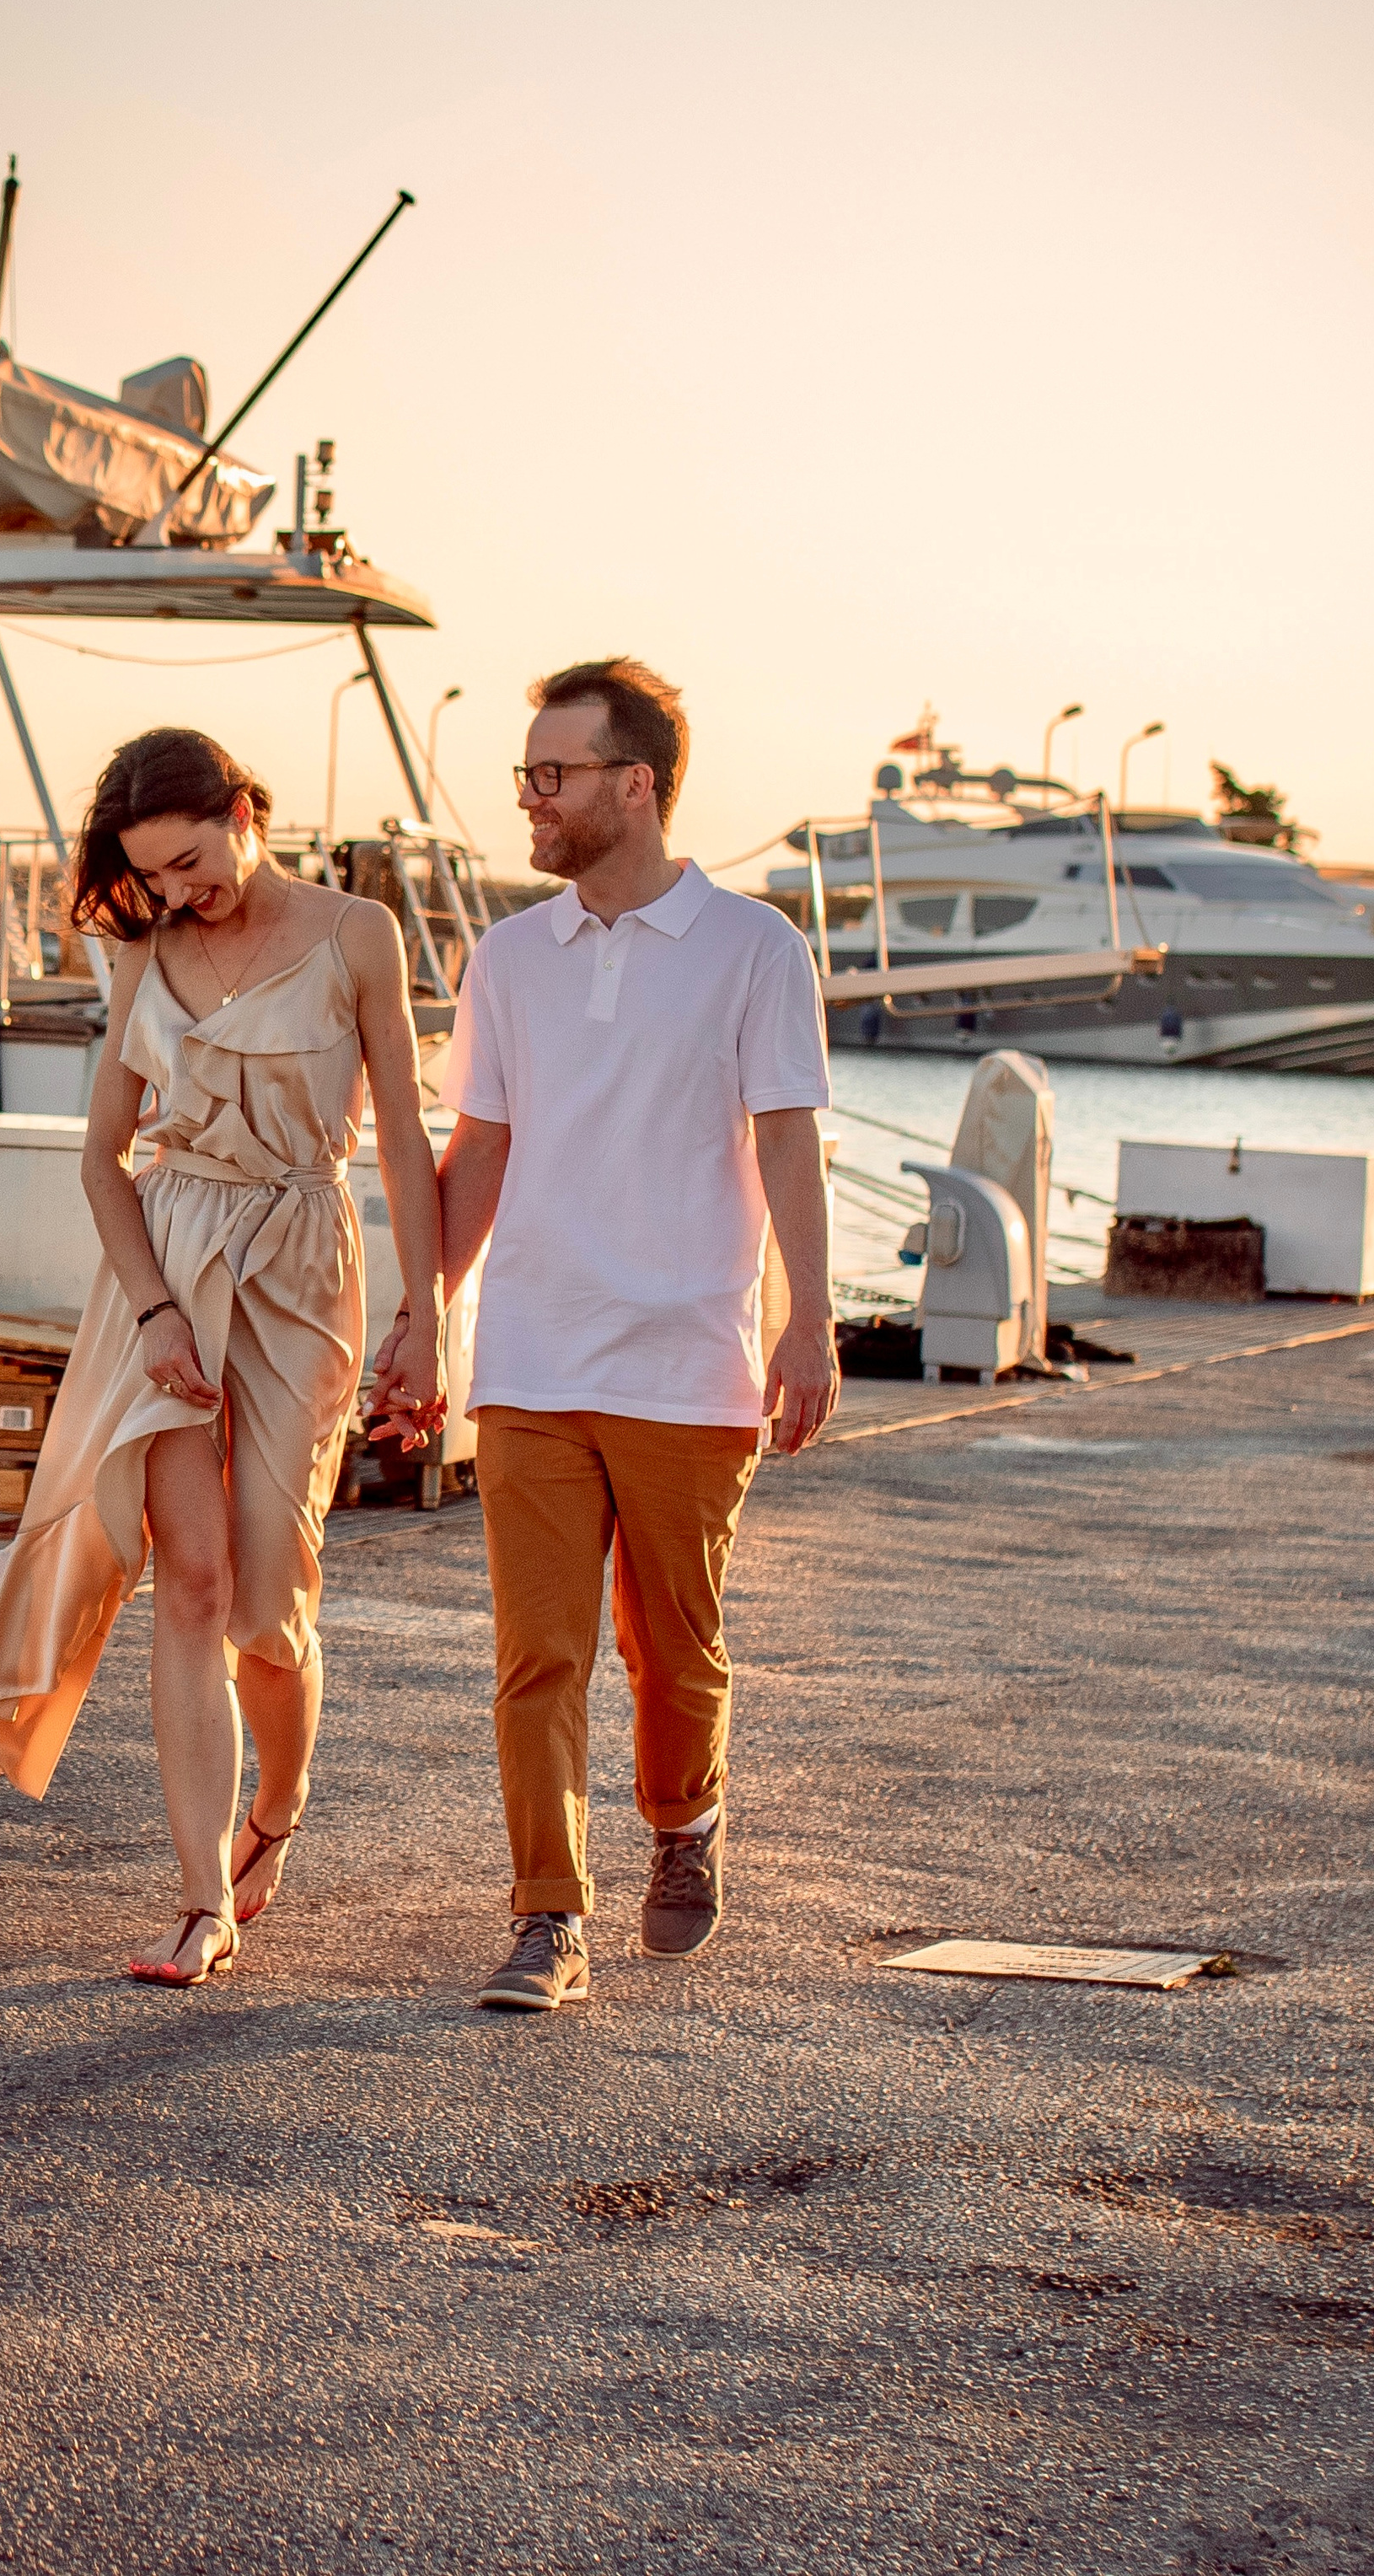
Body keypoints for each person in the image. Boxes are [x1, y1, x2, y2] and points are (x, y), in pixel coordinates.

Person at [0, 727, 447, 1988]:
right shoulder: (146, 949)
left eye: (192, 860)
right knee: (184, 1583)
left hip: (303, 1262)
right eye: (158, 874)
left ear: (245, 808)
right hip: (172, 1259)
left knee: (267, 1606)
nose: (182, 891)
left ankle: (276, 1816)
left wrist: (431, 1311)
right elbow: (101, 1161)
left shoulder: (359, 936)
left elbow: (402, 1137)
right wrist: (152, 1312)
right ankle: (200, 1901)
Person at [378, 657, 835, 2011]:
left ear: (634, 787)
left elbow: (789, 1139)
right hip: (531, 1359)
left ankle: (685, 1821)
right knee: (540, 1655)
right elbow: (481, 1151)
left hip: (689, 1362)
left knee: (671, 1647)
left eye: (552, 773)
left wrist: (807, 1317)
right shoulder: (508, 957)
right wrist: (424, 1317)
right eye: (527, 771)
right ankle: (546, 1916)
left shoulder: (757, 950)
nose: (528, 794)